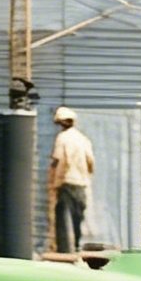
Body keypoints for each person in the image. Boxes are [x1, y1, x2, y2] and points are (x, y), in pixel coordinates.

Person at [47, 106, 94, 255]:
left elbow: (57, 159)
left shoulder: (62, 138)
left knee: (63, 218)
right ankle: (76, 247)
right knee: (77, 218)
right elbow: (91, 162)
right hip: (81, 184)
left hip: (66, 182)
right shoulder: (83, 139)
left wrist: (52, 180)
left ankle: (65, 252)